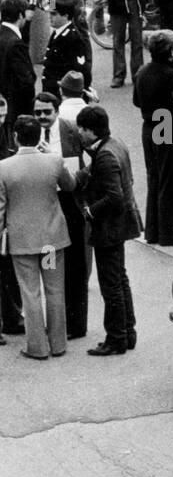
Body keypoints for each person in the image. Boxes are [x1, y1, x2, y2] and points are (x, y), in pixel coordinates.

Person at [0, 115, 76, 359]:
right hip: (50, 242)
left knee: (30, 292)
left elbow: (1, 208)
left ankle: (37, 347)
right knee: (54, 289)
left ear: (15, 137)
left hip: (22, 243)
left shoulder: (3, 167)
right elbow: (70, 186)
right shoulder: (53, 161)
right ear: (38, 137)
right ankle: (58, 343)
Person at [74, 106, 140, 356]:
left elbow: (114, 196)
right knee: (120, 280)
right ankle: (127, 332)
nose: (79, 132)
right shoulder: (115, 145)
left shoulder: (104, 156)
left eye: (82, 128)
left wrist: (90, 212)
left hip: (109, 228)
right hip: (120, 225)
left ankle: (116, 338)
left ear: (92, 131)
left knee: (110, 284)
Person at [31, 93, 91, 339]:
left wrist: (74, 178)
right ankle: (55, 324)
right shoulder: (29, 132)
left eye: (47, 112)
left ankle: (76, 326)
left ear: (57, 111)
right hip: (45, 208)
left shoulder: (72, 130)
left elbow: (91, 163)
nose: (42, 117)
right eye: (38, 113)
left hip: (70, 205)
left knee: (76, 267)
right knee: (51, 266)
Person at [133, 31, 173, 245]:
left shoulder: (142, 72)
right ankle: (168, 230)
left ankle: (153, 230)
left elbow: (137, 101)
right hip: (169, 128)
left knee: (154, 179)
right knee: (171, 182)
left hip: (148, 128)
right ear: (171, 50)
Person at [41, 3, 88, 99]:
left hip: (62, 92)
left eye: (54, 14)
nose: (50, 17)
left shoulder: (72, 38)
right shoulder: (57, 33)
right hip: (52, 89)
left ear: (66, 16)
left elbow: (78, 69)